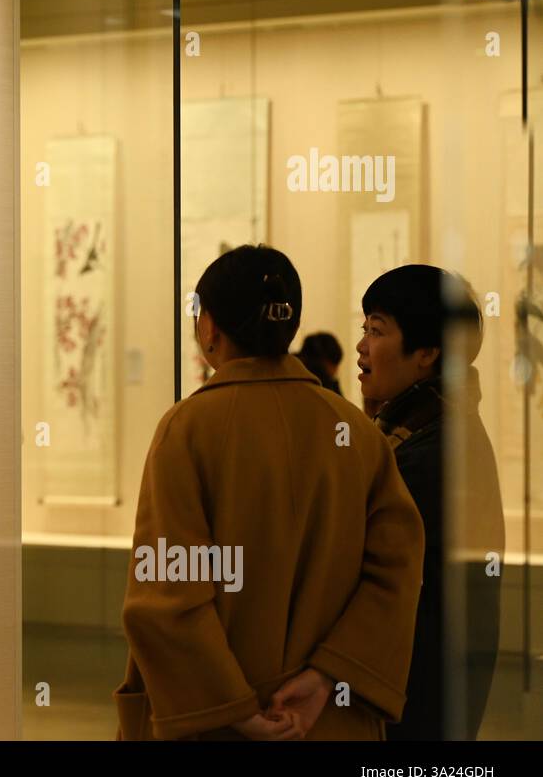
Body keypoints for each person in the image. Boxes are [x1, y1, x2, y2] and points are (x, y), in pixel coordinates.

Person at [114, 245, 424, 740]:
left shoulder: (186, 430)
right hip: (327, 722)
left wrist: (233, 708)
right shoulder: (356, 432)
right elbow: (397, 571)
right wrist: (325, 677)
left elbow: (167, 591)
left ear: (209, 328)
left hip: (215, 729)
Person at [357, 265, 504, 741]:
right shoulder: (424, 432)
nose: (361, 345)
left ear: (427, 354)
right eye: (364, 328)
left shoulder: (430, 453)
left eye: (377, 330)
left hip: (413, 705)